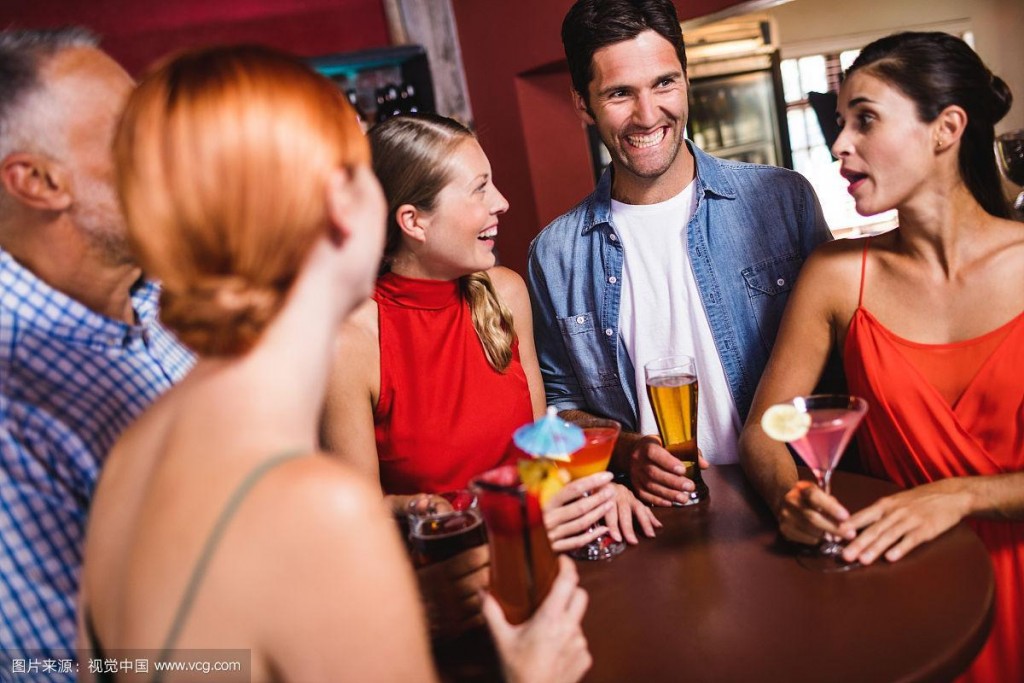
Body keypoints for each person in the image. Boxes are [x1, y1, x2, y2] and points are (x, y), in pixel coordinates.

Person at [78, 45, 591, 683]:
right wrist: (530, 675)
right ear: (337, 212)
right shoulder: (320, 508)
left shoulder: (136, 449)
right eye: (359, 173)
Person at [738, 32, 1022, 682]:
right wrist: (792, 495)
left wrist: (962, 495)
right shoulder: (837, 276)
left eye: (864, 118)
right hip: (908, 593)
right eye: (841, 123)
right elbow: (766, 428)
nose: (840, 143)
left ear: (946, 128)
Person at [323, 113, 657, 637]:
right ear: (414, 222)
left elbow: (539, 452)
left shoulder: (503, 293)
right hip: (452, 605)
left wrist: (594, 485)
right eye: (480, 189)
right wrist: (459, 512)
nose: (501, 202)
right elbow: (356, 523)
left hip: (549, 567)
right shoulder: (350, 342)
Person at [528, 0, 831, 506]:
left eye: (664, 83)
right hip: (653, 522)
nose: (648, 115)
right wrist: (625, 452)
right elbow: (557, 412)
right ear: (582, 104)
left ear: (686, 79)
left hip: (794, 495)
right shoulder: (554, 254)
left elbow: (844, 362)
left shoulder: (784, 200)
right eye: (620, 93)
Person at [0, 28, 194, 665]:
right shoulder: (15, 410)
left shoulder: (164, 300)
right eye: (130, 132)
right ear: (37, 182)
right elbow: (62, 667)